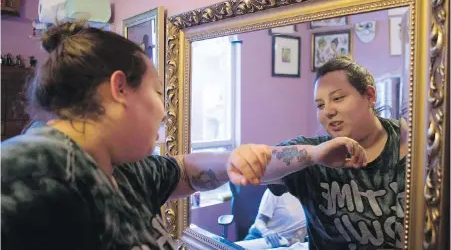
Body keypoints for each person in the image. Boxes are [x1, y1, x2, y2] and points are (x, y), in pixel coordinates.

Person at [1, 22, 368, 250]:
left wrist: (232, 160)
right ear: (120, 88)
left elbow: (186, 170)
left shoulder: (121, 170)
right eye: (159, 92)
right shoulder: (37, 167)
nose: (164, 110)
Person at [267, 56, 408, 249]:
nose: (328, 111)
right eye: (320, 105)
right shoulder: (315, 153)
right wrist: (313, 155)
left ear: (370, 96)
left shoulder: (410, 140)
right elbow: (258, 168)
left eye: (338, 98)